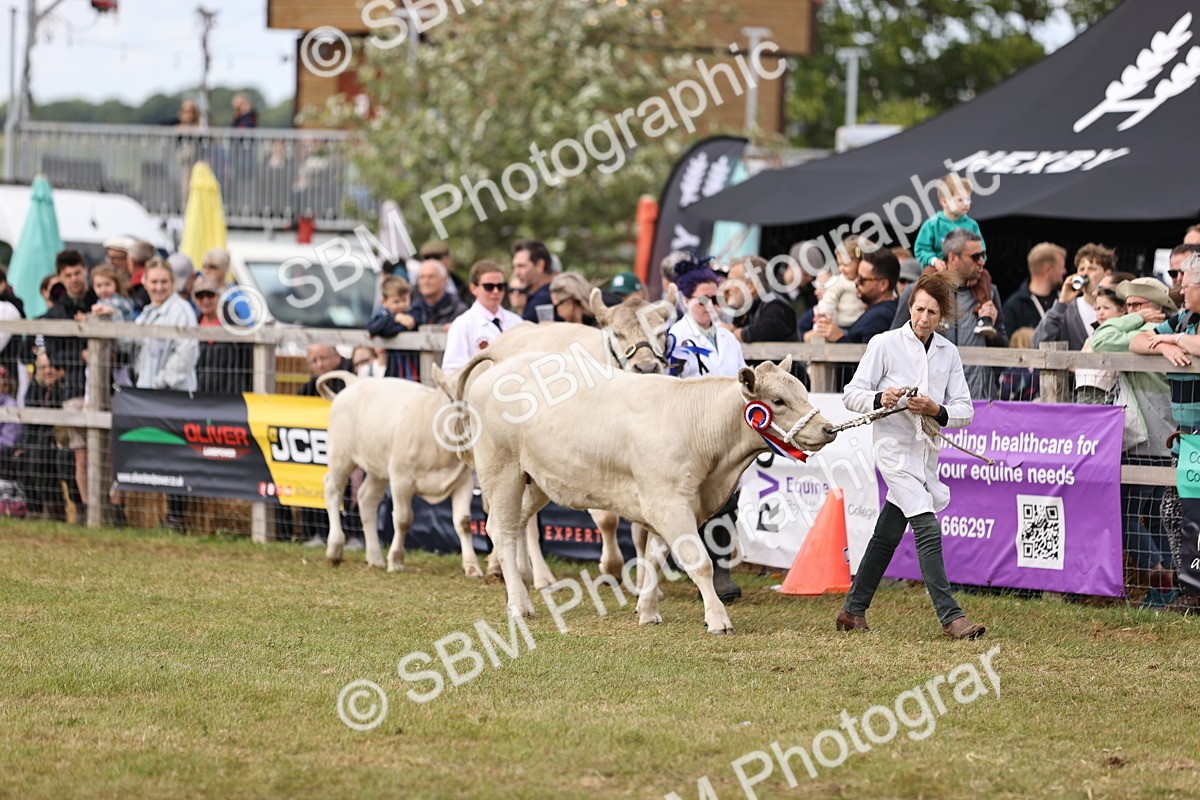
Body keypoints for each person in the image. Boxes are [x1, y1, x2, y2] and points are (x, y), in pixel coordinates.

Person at [840, 272, 984, 639]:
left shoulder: (948, 352)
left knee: (887, 534)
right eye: (919, 309)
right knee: (927, 527)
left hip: (926, 455)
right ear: (910, 308)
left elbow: (965, 410)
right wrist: (881, 398)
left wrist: (937, 409)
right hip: (893, 452)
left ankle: (852, 610)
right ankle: (952, 618)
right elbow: (852, 394)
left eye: (932, 312)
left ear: (941, 316)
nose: (924, 318)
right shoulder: (884, 343)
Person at [666, 255, 746, 601]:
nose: (711, 306)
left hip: (727, 431)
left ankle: (721, 566)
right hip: (688, 433)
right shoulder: (673, 338)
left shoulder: (729, 340)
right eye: (704, 300)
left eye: (716, 299)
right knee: (691, 497)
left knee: (727, 496)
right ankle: (696, 566)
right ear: (686, 300)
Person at [1092, 278, 1176, 596]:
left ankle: (1157, 574)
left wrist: (1135, 320)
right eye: (1127, 306)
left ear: (1157, 308)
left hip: (1144, 440)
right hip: (1164, 439)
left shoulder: (1149, 333)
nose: (1131, 311)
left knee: (1122, 513)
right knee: (1152, 514)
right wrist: (1137, 317)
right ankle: (1169, 587)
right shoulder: (1161, 334)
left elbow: (1101, 338)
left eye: (1138, 305)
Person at [893, 229, 1008, 399]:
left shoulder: (988, 292)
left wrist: (992, 334)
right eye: (975, 256)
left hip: (977, 401)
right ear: (953, 258)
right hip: (928, 401)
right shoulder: (917, 291)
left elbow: (1005, 351)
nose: (982, 261)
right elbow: (895, 343)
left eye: (983, 255)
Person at [43, 249, 97, 515]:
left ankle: (112, 510)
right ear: (60, 277)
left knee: (107, 452)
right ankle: (87, 510)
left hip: (106, 386)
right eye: (68, 275)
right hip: (74, 389)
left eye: (77, 273)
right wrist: (82, 354)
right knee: (81, 453)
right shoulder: (56, 314)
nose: (74, 279)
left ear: (85, 270)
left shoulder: (100, 300)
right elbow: (54, 356)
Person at [914, 173, 994, 336]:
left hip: (965, 270)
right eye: (961, 200)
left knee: (985, 276)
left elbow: (982, 252)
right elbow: (920, 249)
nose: (967, 204)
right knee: (927, 274)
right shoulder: (932, 224)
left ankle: (985, 317)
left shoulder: (972, 225)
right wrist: (933, 260)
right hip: (940, 269)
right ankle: (935, 313)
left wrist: (975, 269)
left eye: (969, 199)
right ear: (944, 201)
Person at [441, 260, 524, 374]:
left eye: (500, 286)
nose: (496, 291)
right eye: (489, 286)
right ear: (473, 288)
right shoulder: (462, 325)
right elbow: (452, 370)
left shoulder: (517, 321)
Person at [1032, 243, 1116, 351]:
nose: (1085, 273)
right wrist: (1061, 303)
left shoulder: (1118, 308)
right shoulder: (1066, 310)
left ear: (1107, 274)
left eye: (1092, 269)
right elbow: (1038, 343)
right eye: (1081, 269)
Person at [193, 276, 252, 395]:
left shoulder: (234, 323)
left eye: (210, 295)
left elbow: (248, 360)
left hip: (231, 394)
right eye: (200, 296)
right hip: (201, 394)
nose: (205, 300)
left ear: (219, 296)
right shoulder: (193, 325)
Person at [1002, 243, 1067, 336]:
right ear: (1047, 270)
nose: (1064, 271)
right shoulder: (1014, 307)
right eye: (1061, 267)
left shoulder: (1065, 302)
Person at [366, 276, 420, 381]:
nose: (401, 305)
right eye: (396, 302)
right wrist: (396, 317)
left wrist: (381, 330)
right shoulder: (384, 316)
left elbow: (405, 325)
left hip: (413, 370)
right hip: (393, 370)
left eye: (404, 300)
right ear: (384, 302)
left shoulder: (415, 312)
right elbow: (371, 327)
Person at [410, 259, 468, 329]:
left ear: (444, 279)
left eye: (431, 277)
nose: (425, 281)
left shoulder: (459, 311)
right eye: (422, 277)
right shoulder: (411, 309)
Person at [512, 239, 555, 323]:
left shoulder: (542, 299)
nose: (516, 273)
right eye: (515, 267)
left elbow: (521, 328)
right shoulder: (543, 295)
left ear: (539, 265)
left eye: (521, 266)